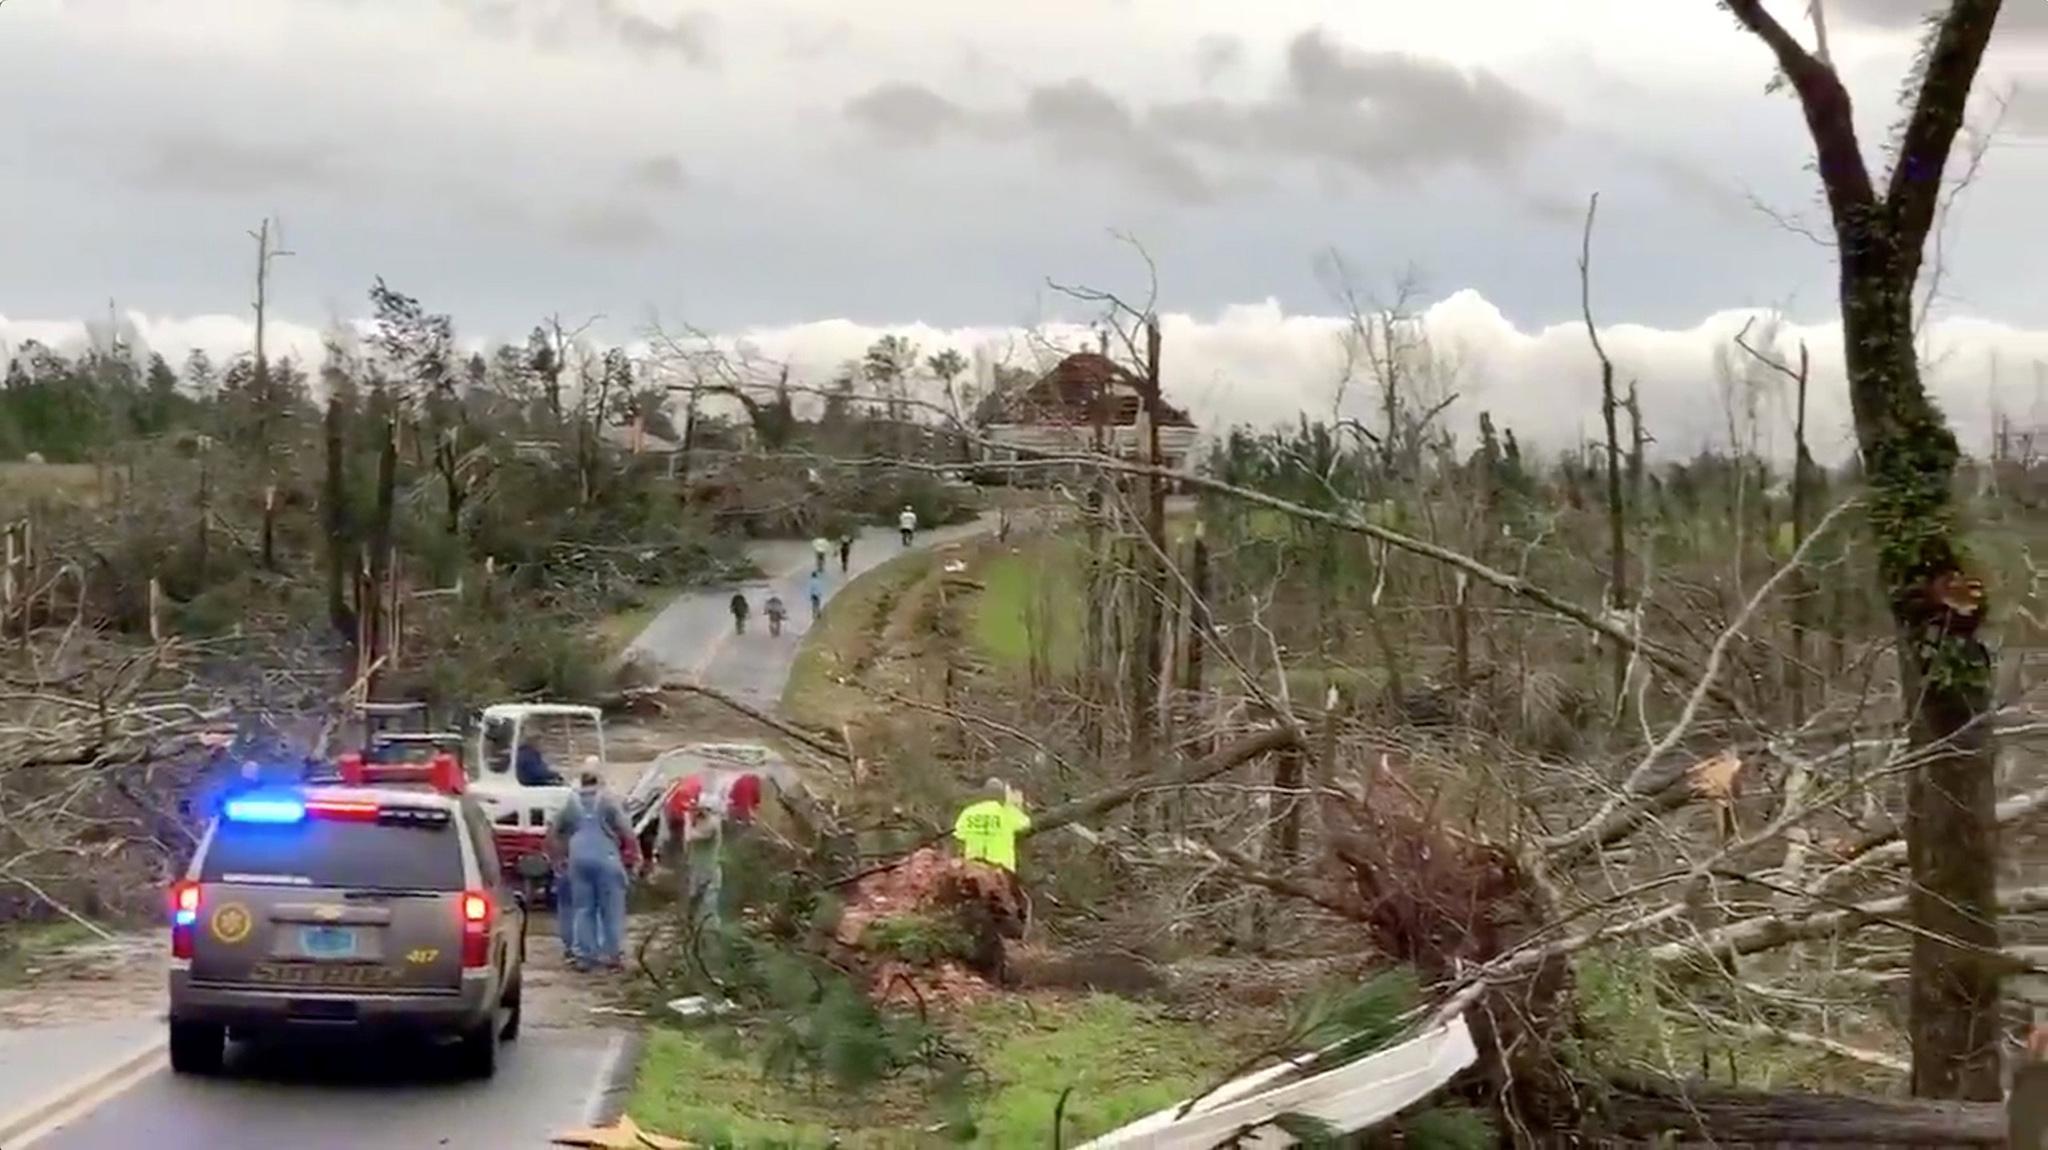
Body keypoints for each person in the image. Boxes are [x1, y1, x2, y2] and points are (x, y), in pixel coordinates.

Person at [545, 760, 641, 971]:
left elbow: (553, 831)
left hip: (578, 859)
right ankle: (612, 954)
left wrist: (557, 858)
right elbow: (626, 831)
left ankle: (584, 956)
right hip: (605, 857)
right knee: (611, 908)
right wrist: (635, 856)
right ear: (600, 779)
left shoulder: (571, 802)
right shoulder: (607, 800)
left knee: (583, 909)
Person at [951, 777, 1031, 875]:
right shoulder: (1007, 812)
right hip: (1000, 870)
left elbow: (958, 837)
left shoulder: (968, 812)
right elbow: (1026, 824)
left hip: (973, 869)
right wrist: (1015, 805)